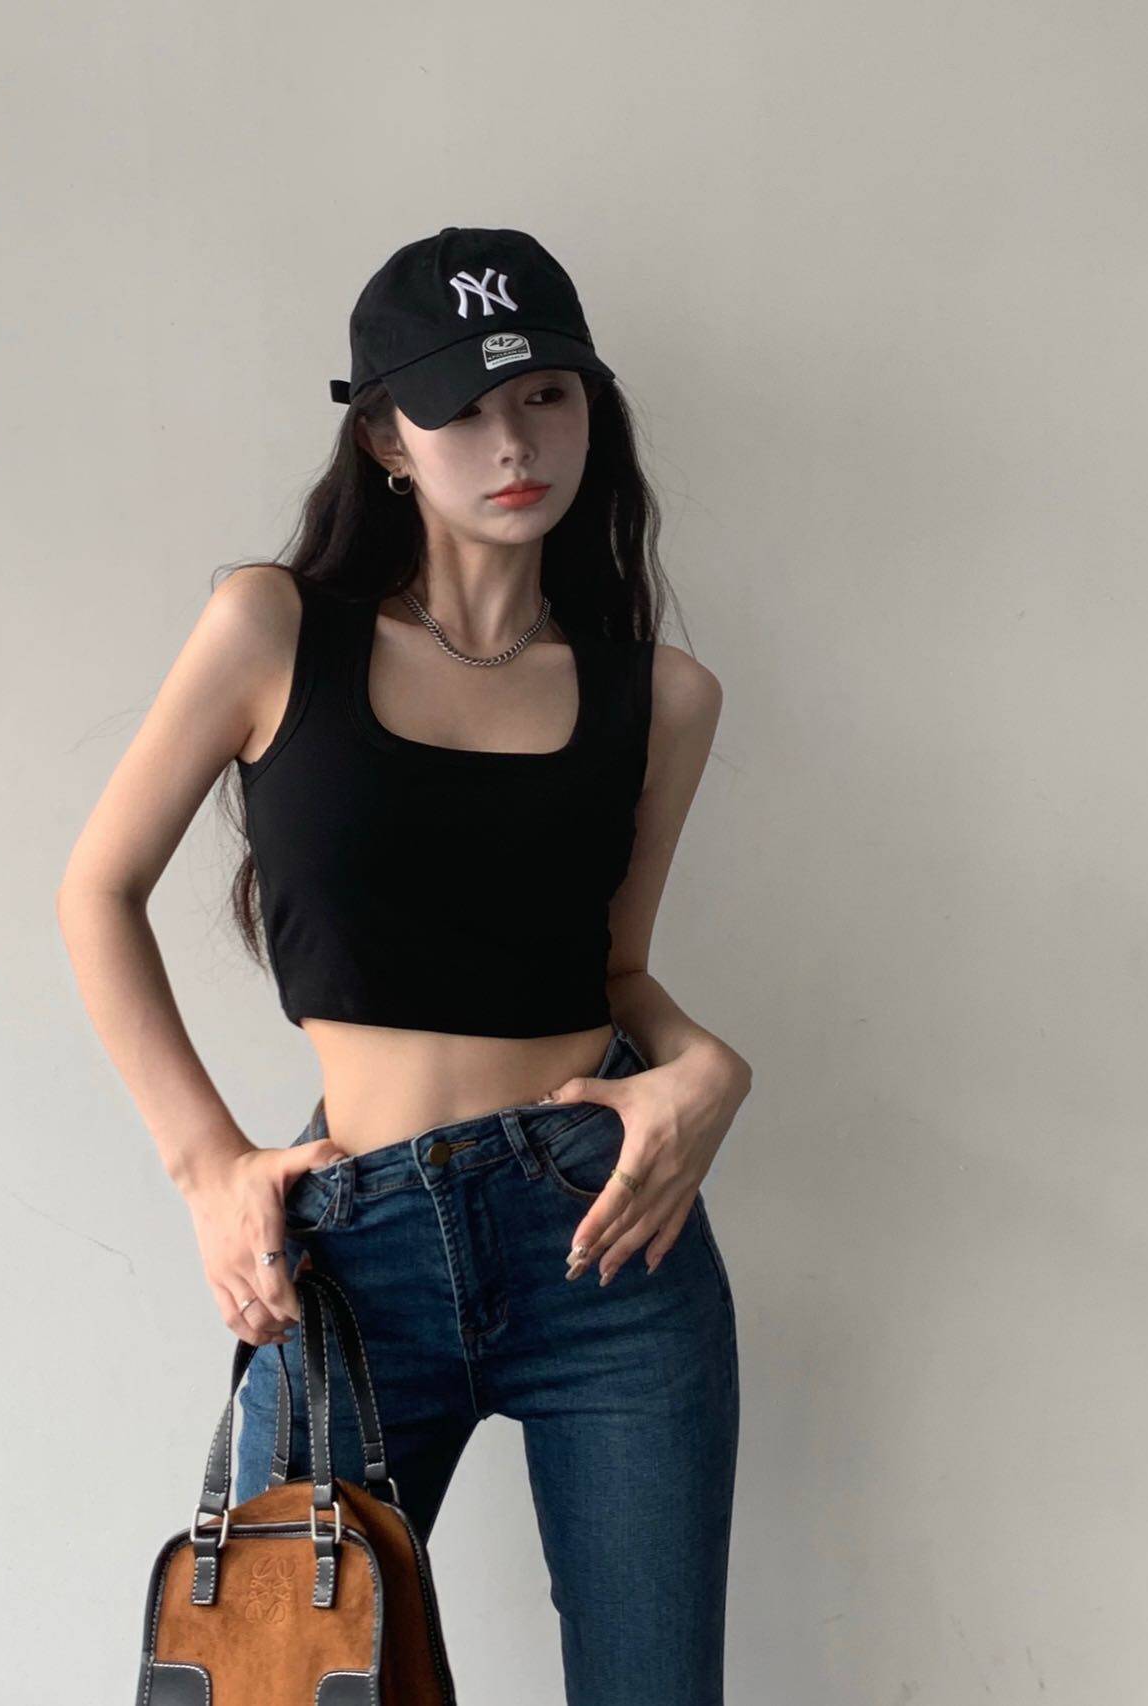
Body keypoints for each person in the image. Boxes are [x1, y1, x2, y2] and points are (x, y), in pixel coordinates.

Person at [56, 225, 752, 1705]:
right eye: (462, 408)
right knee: (268, 1676)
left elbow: (618, 968)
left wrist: (706, 1070)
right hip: (350, 1245)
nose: (515, 443)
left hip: (605, 1239)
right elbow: (96, 893)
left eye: (546, 396)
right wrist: (207, 1167)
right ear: (385, 439)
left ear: (592, 410)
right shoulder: (271, 629)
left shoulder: (663, 697)